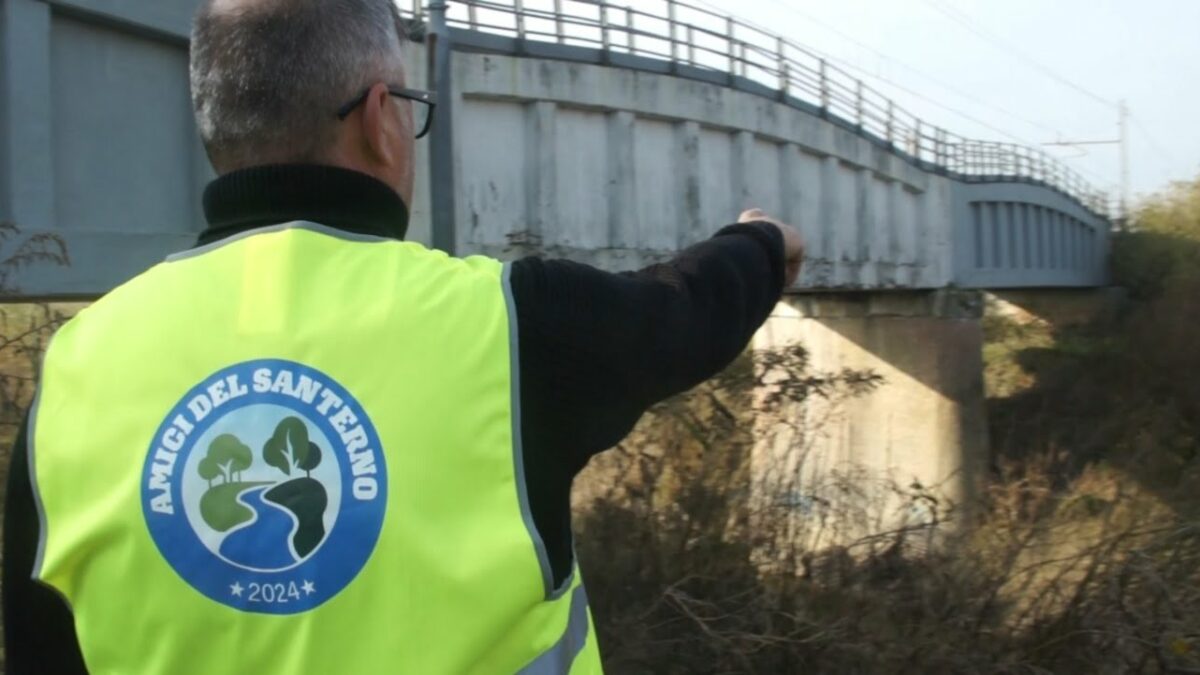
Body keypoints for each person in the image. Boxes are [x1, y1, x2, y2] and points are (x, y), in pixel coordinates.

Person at [1, 0, 804, 673]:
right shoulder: (516, 326)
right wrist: (763, 242)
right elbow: (685, 309)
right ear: (383, 120)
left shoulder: (74, 371)